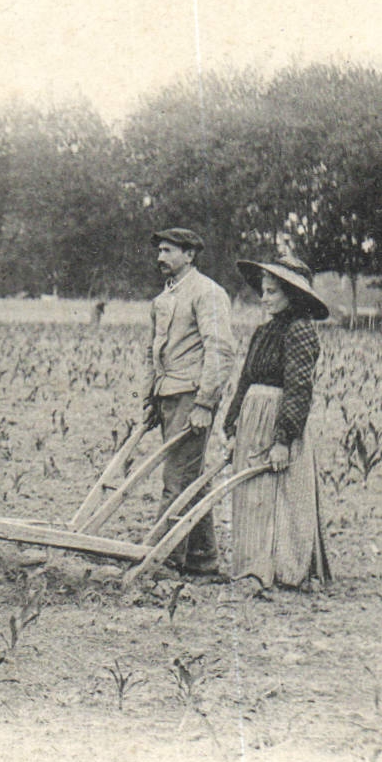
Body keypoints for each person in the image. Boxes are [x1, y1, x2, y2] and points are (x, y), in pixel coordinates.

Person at [222, 254, 332, 589]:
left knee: (281, 496)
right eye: (264, 291)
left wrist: (284, 439)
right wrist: (232, 426)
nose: (264, 297)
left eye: (272, 292)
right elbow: (245, 380)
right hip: (253, 420)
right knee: (252, 495)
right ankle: (252, 565)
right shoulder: (263, 331)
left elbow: (299, 388)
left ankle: (282, 570)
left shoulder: (301, 332)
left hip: (278, 419)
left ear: (291, 295)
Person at [142, 227, 235, 575]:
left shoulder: (207, 293)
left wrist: (204, 403)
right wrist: (150, 400)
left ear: (189, 255)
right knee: (191, 476)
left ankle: (165, 559)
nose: (160, 258)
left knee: (176, 479)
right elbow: (154, 351)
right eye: (159, 251)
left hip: (190, 398)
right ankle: (202, 559)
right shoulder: (164, 299)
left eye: (168, 251)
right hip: (167, 397)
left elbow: (220, 349)